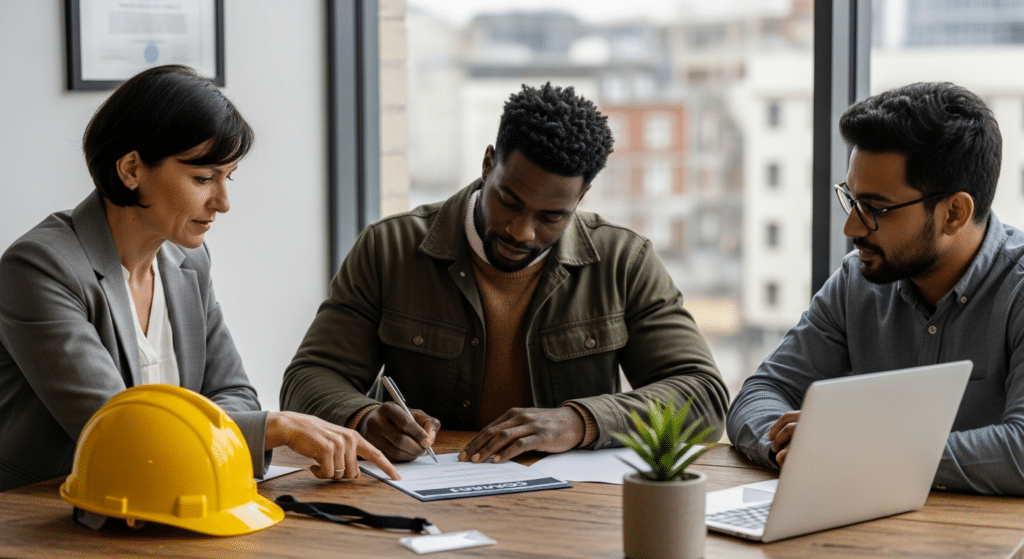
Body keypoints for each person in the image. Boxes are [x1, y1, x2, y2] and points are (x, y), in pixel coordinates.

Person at [281, 83, 729, 464]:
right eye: (509, 202)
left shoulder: (623, 261)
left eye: (552, 216)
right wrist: (363, 417)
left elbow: (703, 395)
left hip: (572, 508)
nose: (522, 230)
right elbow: (308, 378)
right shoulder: (389, 248)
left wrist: (581, 421)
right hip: (428, 498)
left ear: (583, 195)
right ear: (487, 164)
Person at [0, 65, 398, 491]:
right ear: (132, 169)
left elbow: (234, 393)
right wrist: (273, 427)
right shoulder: (40, 267)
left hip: (176, 497)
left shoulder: (186, 261)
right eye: (204, 178)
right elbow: (118, 431)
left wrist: (250, 425)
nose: (223, 203)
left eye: (228, 178)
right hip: (49, 516)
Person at [727, 81, 1024, 495]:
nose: (851, 228)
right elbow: (762, 392)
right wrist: (791, 447)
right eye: (851, 199)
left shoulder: (1018, 291)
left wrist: (861, 449)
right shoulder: (858, 282)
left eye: (876, 209)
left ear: (954, 213)